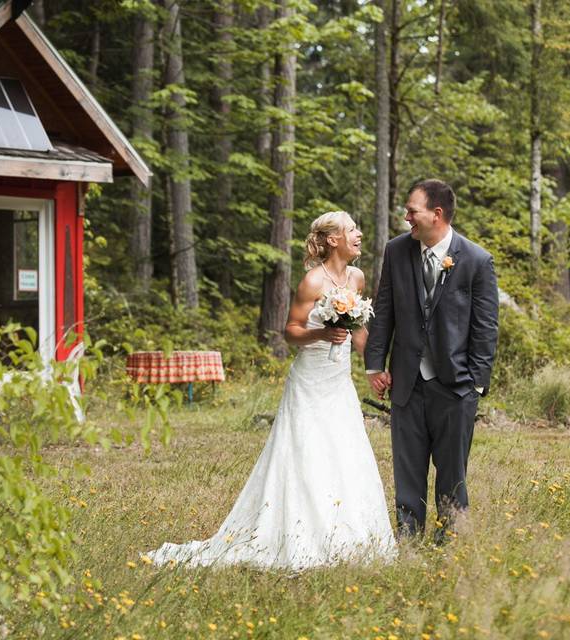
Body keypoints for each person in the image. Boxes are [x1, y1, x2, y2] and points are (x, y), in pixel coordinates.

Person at [148, 211, 397, 570]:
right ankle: (301, 534)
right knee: (307, 452)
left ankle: (347, 536)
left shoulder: (356, 277)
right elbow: (291, 330)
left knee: (345, 450)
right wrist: (321, 334)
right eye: (352, 229)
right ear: (332, 240)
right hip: (309, 382)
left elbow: (358, 332)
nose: (359, 234)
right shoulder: (312, 281)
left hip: (338, 382)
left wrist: (375, 368)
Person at [365, 179, 499, 542]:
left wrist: (475, 382)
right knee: (407, 468)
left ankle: (448, 539)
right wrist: (375, 364)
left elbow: (485, 326)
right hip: (407, 382)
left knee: (452, 470)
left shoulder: (476, 260)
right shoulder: (397, 251)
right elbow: (384, 308)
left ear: (436, 214)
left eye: (412, 211)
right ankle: (408, 539)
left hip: (456, 385)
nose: (406, 217)